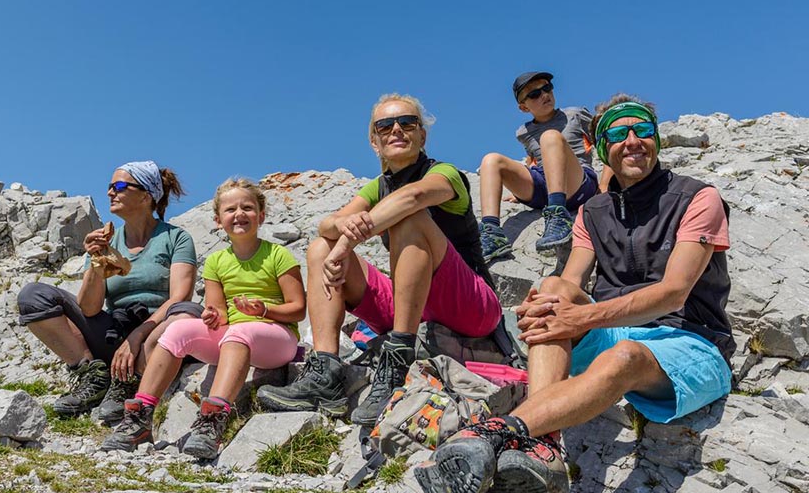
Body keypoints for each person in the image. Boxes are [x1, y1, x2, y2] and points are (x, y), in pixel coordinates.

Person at [417, 95, 735, 493]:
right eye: (618, 134)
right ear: (602, 148)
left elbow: (674, 291)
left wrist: (581, 316)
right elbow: (570, 282)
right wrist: (542, 306)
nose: (633, 141)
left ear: (657, 138)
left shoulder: (698, 198)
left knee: (623, 355)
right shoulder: (593, 211)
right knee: (551, 290)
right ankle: (544, 448)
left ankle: (498, 431)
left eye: (642, 130)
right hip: (615, 330)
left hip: (691, 341)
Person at [256, 93, 503, 427]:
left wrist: (348, 240)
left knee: (409, 217)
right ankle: (325, 373)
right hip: (412, 300)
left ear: (422, 135)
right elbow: (325, 224)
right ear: (375, 141)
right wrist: (341, 228)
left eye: (407, 122)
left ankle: (399, 361)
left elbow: (413, 196)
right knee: (319, 248)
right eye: (385, 125)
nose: (397, 130)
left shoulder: (444, 173)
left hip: (471, 303)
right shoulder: (377, 187)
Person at [101, 178, 305, 458]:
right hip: (234, 337)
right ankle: (140, 416)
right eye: (230, 209)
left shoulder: (278, 254)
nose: (239, 214)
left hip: (277, 337)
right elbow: (219, 312)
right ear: (218, 220)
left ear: (262, 216)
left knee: (240, 333)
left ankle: (212, 422)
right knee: (178, 330)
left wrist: (265, 311)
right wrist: (212, 315)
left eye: (247, 207)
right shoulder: (216, 262)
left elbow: (298, 309)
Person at [17, 161, 201, 420]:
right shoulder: (107, 240)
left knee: (188, 311)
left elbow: (180, 296)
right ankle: (94, 376)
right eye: (110, 186)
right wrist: (95, 260)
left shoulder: (176, 238)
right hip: (114, 331)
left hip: (155, 336)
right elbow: (90, 308)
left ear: (146, 195)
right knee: (32, 296)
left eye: (120, 186)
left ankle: (132, 381)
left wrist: (137, 336)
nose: (110, 193)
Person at [478, 71, 604, 261]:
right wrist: (518, 189)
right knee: (491, 159)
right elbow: (533, 160)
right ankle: (492, 231)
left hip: (577, 182)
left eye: (546, 88)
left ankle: (558, 217)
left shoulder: (576, 115)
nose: (544, 94)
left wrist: (607, 184)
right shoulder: (524, 132)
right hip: (543, 186)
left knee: (550, 136)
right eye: (534, 94)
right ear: (523, 107)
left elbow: (606, 145)